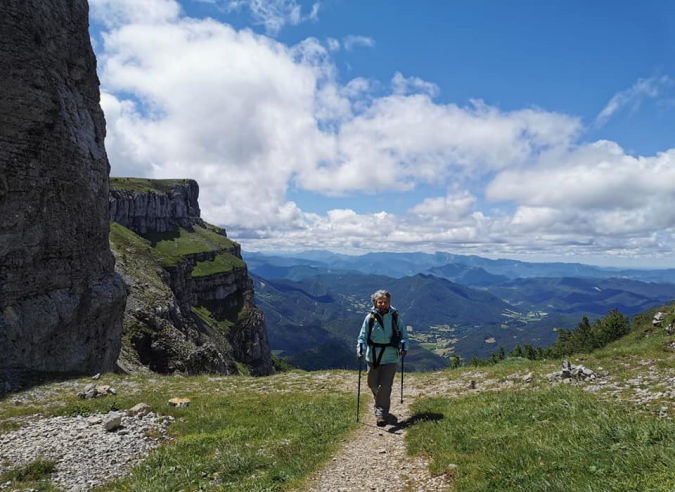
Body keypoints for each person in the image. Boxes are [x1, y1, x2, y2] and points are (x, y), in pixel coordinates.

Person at [356, 289, 408, 427]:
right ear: (375, 303)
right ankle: (380, 401)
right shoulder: (369, 318)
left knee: (385, 386)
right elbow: (362, 337)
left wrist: (404, 347)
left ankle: (381, 415)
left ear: (389, 302)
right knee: (372, 384)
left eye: (385, 302)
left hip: (391, 357)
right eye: (380, 302)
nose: (383, 304)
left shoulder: (396, 317)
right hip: (373, 357)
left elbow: (404, 336)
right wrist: (360, 349)